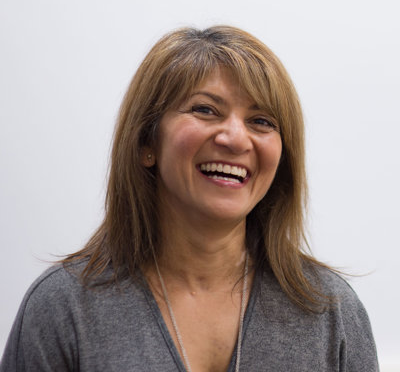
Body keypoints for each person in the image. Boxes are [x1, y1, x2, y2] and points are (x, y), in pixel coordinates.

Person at [1, 26, 379, 372]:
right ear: (146, 142)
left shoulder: (332, 311)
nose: (236, 138)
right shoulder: (62, 308)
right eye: (205, 110)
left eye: (261, 121)